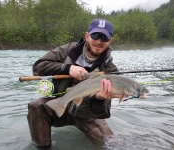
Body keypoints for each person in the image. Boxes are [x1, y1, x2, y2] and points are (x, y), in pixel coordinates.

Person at [27, 18, 119, 148]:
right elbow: (38, 67)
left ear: (109, 41)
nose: (99, 41)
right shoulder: (67, 51)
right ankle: (42, 147)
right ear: (87, 36)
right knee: (36, 106)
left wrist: (99, 99)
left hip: (87, 115)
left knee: (111, 145)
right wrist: (67, 68)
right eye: (95, 35)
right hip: (62, 105)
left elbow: (102, 113)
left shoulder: (110, 70)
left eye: (104, 38)